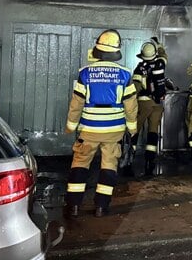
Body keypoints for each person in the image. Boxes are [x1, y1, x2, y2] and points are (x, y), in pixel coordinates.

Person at [64, 29, 138, 219]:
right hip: (114, 130)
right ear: (116, 51)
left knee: (80, 164)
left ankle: (73, 206)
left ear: (98, 49)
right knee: (109, 166)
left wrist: (71, 125)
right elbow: (131, 106)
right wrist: (132, 127)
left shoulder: (85, 73)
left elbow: (77, 102)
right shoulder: (125, 74)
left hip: (89, 129)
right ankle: (101, 207)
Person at [131, 37, 174, 177]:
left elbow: (136, 87)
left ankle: (129, 158)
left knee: (135, 130)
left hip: (143, 103)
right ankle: (150, 161)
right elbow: (164, 55)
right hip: (157, 104)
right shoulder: (160, 64)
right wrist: (159, 45)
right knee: (153, 132)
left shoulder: (139, 68)